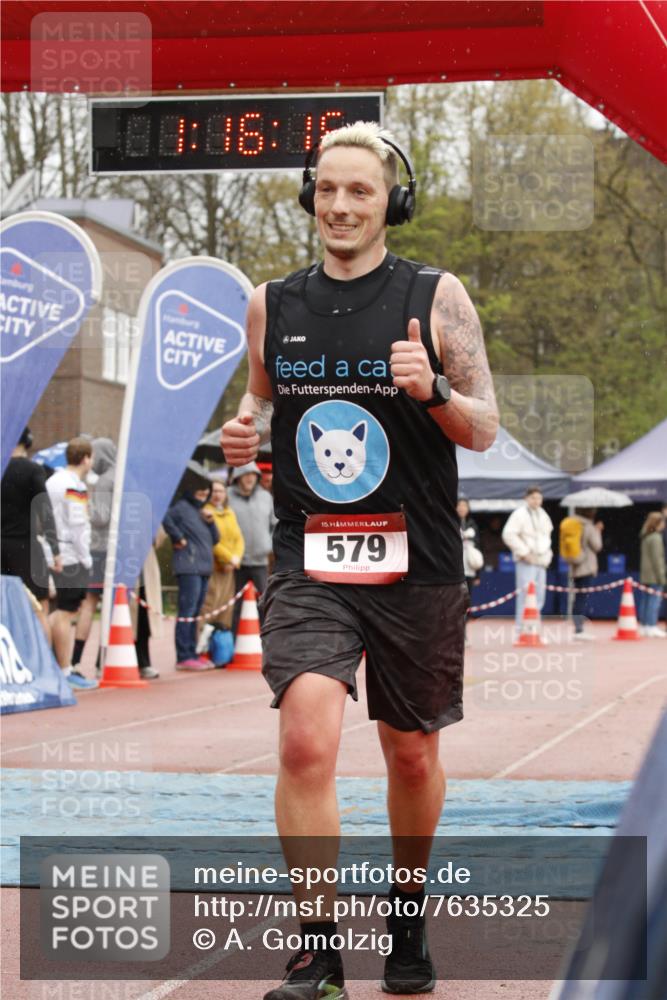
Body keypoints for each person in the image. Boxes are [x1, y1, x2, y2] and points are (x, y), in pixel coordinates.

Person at [222, 121, 498, 999]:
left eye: (360, 192)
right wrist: (242, 432)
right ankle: (316, 952)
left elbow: (484, 428)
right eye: (327, 191)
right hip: (310, 560)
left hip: (415, 561)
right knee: (306, 740)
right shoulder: (272, 303)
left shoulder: (434, 296)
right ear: (310, 198)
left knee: (409, 755)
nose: (340, 206)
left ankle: (406, 916)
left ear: (391, 204)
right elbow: (260, 401)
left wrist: (436, 391)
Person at [45, 436, 98, 690]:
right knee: (65, 613)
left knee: (55, 611)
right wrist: (86, 558)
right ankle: (65, 670)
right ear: (86, 458)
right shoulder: (74, 485)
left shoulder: (52, 481)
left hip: (51, 552)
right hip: (70, 556)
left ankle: (57, 667)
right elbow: (78, 524)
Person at [0, 426, 62, 642]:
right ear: (28, 441)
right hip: (25, 547)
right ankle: (46, 667)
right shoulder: (32, 470)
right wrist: (55, 550)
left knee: (5, 610)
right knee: (39, 607)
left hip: (2, 546)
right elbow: (44, 510)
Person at [163, 483, 219, 669]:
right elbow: (165, 517)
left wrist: (211, 523)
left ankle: (192, 652)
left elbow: (216, 539)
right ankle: (183, 656)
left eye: (206, 490)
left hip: (204, 567)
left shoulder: (202, 511)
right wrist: (178, 537)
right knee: (186, 612)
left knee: (195, 613)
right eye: (199, 489)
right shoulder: (180, 508)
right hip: (188, 567)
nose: (203, 492)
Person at [227, 461, 276, 636]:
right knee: (235, 605)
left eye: (253, 474)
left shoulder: (266, 497)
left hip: (260, 561)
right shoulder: (228, 497)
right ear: (238, 477)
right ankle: (233, 642)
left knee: (264, 602)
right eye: (246, 474)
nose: (249, 478)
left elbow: (275, 525)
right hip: (234, 562)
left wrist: (268, 544)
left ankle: (265, 642)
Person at [502, 486, 553, 630]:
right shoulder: (519, 514)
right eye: (533, 498)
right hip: (526, 560)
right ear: (526, 498)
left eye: (538, 498)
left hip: (541, 561)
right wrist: (524, 552)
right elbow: (508, 534)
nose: (536, 501)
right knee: (525, 596)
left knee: (539, 596)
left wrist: (547, 555)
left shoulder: (543, 515)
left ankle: (534, 628)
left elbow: (547, 537)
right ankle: (521, 629)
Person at [200, 479, 244, 631]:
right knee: (209, 606)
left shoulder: (230, 512)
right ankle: (202, 648)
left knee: (226, 609)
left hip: (230, 568)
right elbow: (212, 541)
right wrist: (228, 558)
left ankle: (220, 648)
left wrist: (236, 559)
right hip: (214, 567)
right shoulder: (205, 512)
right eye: (214, 491)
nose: (217, 495)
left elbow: (239, 538)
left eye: (221, 491)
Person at [568, 508, 604, 640]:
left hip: (575, 566)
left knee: (577, 598)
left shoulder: (573, 524)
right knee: (582, 599)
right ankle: (579, 629)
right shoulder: (588, 526)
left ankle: (577, 627)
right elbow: (597, 546)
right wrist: (598, 531)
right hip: (586, 567)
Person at [457, 497, 482, 643]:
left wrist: (478, 573)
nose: (461, 508)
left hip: (470, 570)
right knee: (454, 603)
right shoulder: (451, 522)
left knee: (466, 603)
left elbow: (479, 548)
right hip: (455, 570)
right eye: (459, 505)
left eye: (464, 506)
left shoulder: (473, 525)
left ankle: (464, 634)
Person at [637, 511, 666, 637]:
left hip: (646, 575)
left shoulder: (646, 536)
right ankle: (651, 625)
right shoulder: (656, 538)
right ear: (658, 523)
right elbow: (657, 560)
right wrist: (662, 578)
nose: (664, 524)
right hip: (654, 576)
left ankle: (644, 625)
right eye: (663, 522)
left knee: (646, 601)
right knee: (654, 601)